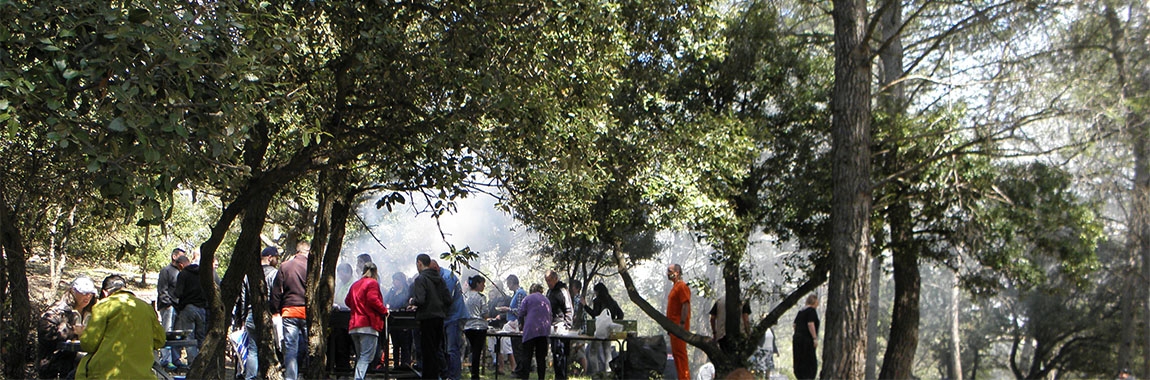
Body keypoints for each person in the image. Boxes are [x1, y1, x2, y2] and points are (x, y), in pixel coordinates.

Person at [75, 275, 165, 380]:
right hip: (143, 375)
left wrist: (82, 334)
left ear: (104, 293)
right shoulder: (146, 307)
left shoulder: (104, 306)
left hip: (105, 374)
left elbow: (89, 345)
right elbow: (160, 340)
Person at [38, 276, 98, 379]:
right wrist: (72, 331)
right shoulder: (58, 311)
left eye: (90, 293)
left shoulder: (95, 311)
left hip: (85, 368)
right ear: (73, 291)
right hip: (57, 367)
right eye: (84, 293)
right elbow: (46, 334)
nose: (88, 296)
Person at [272, 241, 311, 380]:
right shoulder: (312, 267)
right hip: (307, 312)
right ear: (308, 251)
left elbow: (276, 291)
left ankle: (290, 378)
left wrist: (276, 310)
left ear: (297, 251)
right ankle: (310, 374)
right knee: (311, 347)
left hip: (289, 311)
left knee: (291, 349)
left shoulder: (285, 266)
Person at [345, 262, 390, 380]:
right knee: (365, 358)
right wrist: (384, 310)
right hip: (368, 325)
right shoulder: (372, 283)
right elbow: (372, 299)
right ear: (376, 272)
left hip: (354, 325)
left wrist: (357, 307)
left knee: (361, 357)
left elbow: (347, 301)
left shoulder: (355, 284)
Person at [411, 253, 452, 380]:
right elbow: (448, 299)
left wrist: (413, 301)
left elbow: (421, 300)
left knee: (427, 351)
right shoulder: (440, 279)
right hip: (439, 318)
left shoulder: (420, 279)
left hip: (427, 318)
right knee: (436, 350)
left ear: (419, 263)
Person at [434, 259, 468, 380]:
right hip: (447, 317)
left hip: (455, 316)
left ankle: (454, 377)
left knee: (452, 348)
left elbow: (447, 299)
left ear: (436, 269)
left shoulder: (448, 277)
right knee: (445, 348)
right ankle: (447, 374)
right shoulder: (440, 276)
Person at [582, 282, 623, 376]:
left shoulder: (597, 301)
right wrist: (612, 321)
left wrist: (585, 306)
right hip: (609, 330)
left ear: (598, 291)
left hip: (600, 330)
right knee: (607, 350)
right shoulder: (612, 301)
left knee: (593, 351)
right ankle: (608, 372)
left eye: (595, 292)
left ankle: (596, 373)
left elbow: (595, 314)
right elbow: (621, 314)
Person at [174, 255, 207, 367]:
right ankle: (203, 362)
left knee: (189, 338)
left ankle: (193, 365)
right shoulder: (202, 273)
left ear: (180, 264)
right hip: (202, 309)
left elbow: (178, 293)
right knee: (201, 337)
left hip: (188, 308)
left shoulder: (183, 274)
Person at [156, 247, 186, 369]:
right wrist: (168, 304)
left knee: (177, 334)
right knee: (167, 332)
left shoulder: (182, 272)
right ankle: (165, 359)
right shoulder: (166, 271)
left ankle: (176, 359)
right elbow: (162, 290)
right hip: (168, 307)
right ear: (174, 257)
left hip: (179, 308)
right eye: (181, 256)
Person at [517, 284, 552, 380]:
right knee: (541, 358)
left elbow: (521, 313)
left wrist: (520, 325)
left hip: (530, 330)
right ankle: (541, 378)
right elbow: (550, 315)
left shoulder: (528, 298)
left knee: (527, 356)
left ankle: (525, 377)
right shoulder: (546, 300)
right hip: (544, 331)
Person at [545, 270, 574, 380]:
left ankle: (562, 376)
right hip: (551, 326)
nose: (548, 283)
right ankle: (558, 375)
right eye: (546, 281)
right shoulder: (549, 292)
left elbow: (569, 308)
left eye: (550, 280)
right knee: (555, 352)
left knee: (560, 352)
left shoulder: (562, 290)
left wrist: (568, 325)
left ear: (555, 279)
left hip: (561, 325)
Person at [665, 263, 691, 380]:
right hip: (673, 328)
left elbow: (685, 304)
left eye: (670, 271)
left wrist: (681, 323)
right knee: (676, 354)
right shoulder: (674, 287)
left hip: (679, 327)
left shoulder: (682, 286)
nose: (668, 274)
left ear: (677, 272)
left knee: (680, 354)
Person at [496, 274, 526, 377]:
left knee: (516, 348)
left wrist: (508, 309)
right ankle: (516, 369)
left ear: (513, 282)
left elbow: (520, 311)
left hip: (515, 324)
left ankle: (518, 370)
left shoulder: (520, 293)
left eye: (508, 283)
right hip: (512, 323)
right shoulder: (516, 294)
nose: (508, 286)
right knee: (509, 345)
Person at [385, 271, 413, 370]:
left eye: (396, 280)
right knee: (395, 344)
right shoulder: (392, 291)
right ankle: (396, 365)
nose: (394, 283)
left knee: (405, 344)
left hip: (404, 321)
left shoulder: (407, 291)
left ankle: (405, 365)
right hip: (393, 321)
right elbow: (386, 301)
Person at [463, 275, 489, 380]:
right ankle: (475, 374)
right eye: (483, 283)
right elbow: (485, 313)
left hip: (467, 326)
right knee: (477, 351)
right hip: (479, 327)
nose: (484, 286)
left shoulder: (465, 296)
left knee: (470, 350)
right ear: (477, 284)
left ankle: (470, 370)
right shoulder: (481, 297)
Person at [793, 294, 820, 380]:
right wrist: (814, 338)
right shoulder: (811, 311)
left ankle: (800, 376)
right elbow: (810, 324)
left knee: (799, 360)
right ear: (815, 302)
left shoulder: (801, 312)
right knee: (809, 361)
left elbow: (794, 325)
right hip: (807, 340)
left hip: (797, 339)